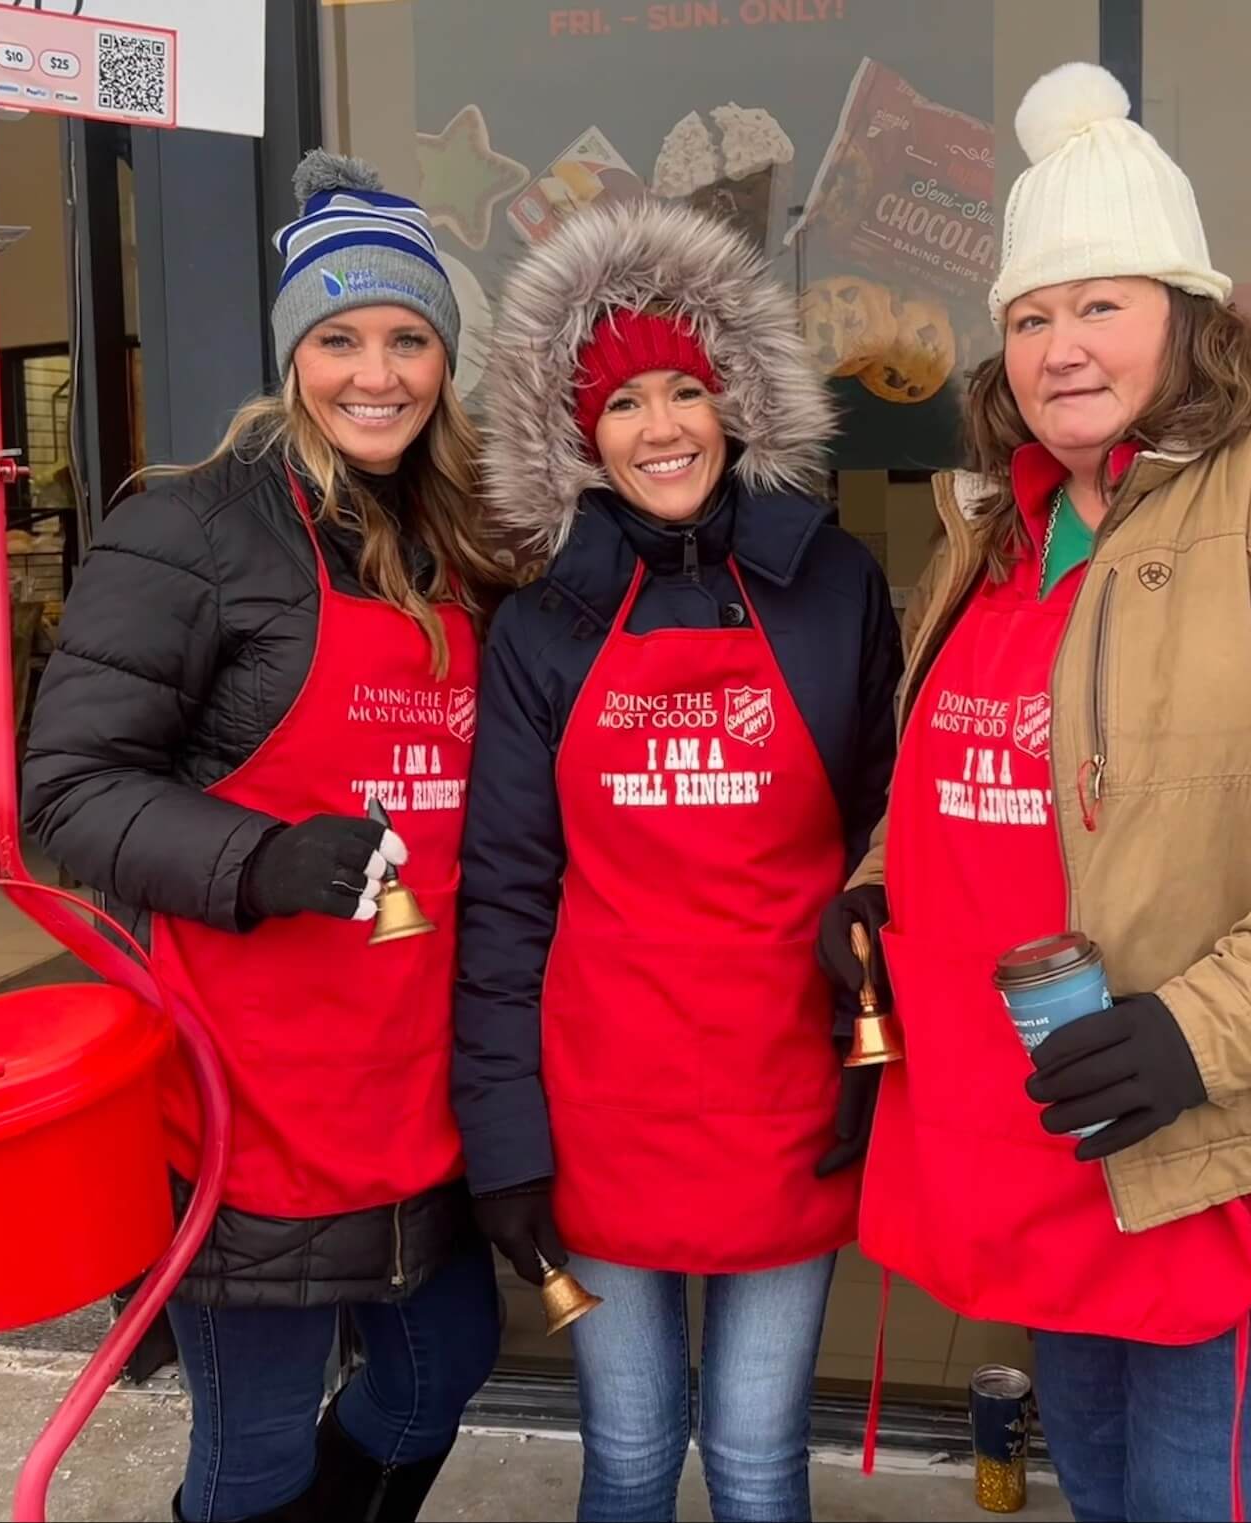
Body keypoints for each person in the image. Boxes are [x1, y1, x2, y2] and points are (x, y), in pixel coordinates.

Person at [817, 62, 1251, 1523]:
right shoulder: (1001, 520)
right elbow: (971, 746)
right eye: (1031, 317)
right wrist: (885, 878)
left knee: (1210, 1502)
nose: (1062, 348)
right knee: (1110, 1485)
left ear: (1191, 319)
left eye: (1101, 306)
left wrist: (1207, 1030)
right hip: (1085, 1136)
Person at [23, 151, 513, 1523]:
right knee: (253, 1458)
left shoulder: (461, 539)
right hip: (251, 1090)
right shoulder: (192, 525)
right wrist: (260, 857)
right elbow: (65, 787)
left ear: (444, 359)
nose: (378, 372)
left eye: (410, 338)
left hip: (417, 1076)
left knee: (438, 1375)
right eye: (341, 338)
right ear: (293, 352)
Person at [451, 200, 901, 1522]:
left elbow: (891, 829)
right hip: (603, 1113)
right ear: (577, 436)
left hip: (784, 1098)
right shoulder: (545, 624)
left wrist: (881, 1023)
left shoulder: (834, 586)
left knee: (762, 1465)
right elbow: (506, 905)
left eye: (686, 390)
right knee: (632, 1459)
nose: (661, 428)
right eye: (624, 403)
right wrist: (506, 1147)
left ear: (736, 402)